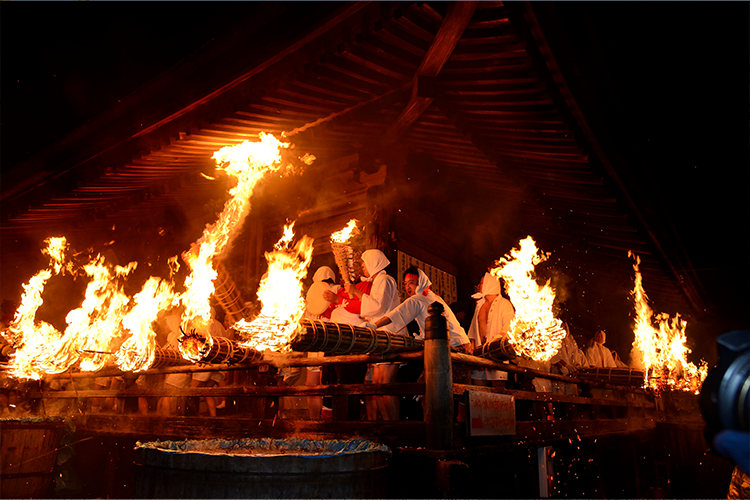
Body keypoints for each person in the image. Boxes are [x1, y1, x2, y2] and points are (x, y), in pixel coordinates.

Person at [324, 249, 403, 420]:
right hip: (380, 337)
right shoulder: (377, 282)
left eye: (364, 263)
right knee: (377, 386)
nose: (362, 266)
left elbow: (376, 307)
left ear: (373, 262)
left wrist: (355, 293)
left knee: (386, 386)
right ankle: (386, 425)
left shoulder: (385, 280)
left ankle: (396, 426)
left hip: (389, 334)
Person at [374, 267, 471, 351]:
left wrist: (373, 326)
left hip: (451, 345)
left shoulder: (418, 299)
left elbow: (395, 315)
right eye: (405, 283)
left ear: (420, 282)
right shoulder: (432, 296)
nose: (407, 286)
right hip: (462, 342)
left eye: (411, 283)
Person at [301, 265, 340, 419]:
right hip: (317, 344)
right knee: (314, 386)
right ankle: (315, 421)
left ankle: (323, 420)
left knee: (325, 384)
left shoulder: (337, 290)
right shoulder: (314, 296)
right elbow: (305, 320)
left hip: (329, 343)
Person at [467, 272, 515, 388]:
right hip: (479, 353)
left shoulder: (504, 304)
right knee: (478, 390)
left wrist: (497, 340)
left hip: (496, 352)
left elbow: (510, 327)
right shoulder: (479, 305)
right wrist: (471, 349)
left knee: (498, 390)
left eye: (481, 282)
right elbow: (473, 331)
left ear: (490, 283)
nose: (478, 285)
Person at [551, 323, 589, 396]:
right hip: (558, 372)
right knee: (559, 395)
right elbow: (554, 356)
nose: (563, 329)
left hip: (571, 373)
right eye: (561, 327)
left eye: (565, 327)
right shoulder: (553, 340)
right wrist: (563, 367)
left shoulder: (571, 341)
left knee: (571, 393)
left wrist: (576, 366)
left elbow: (575, 355)